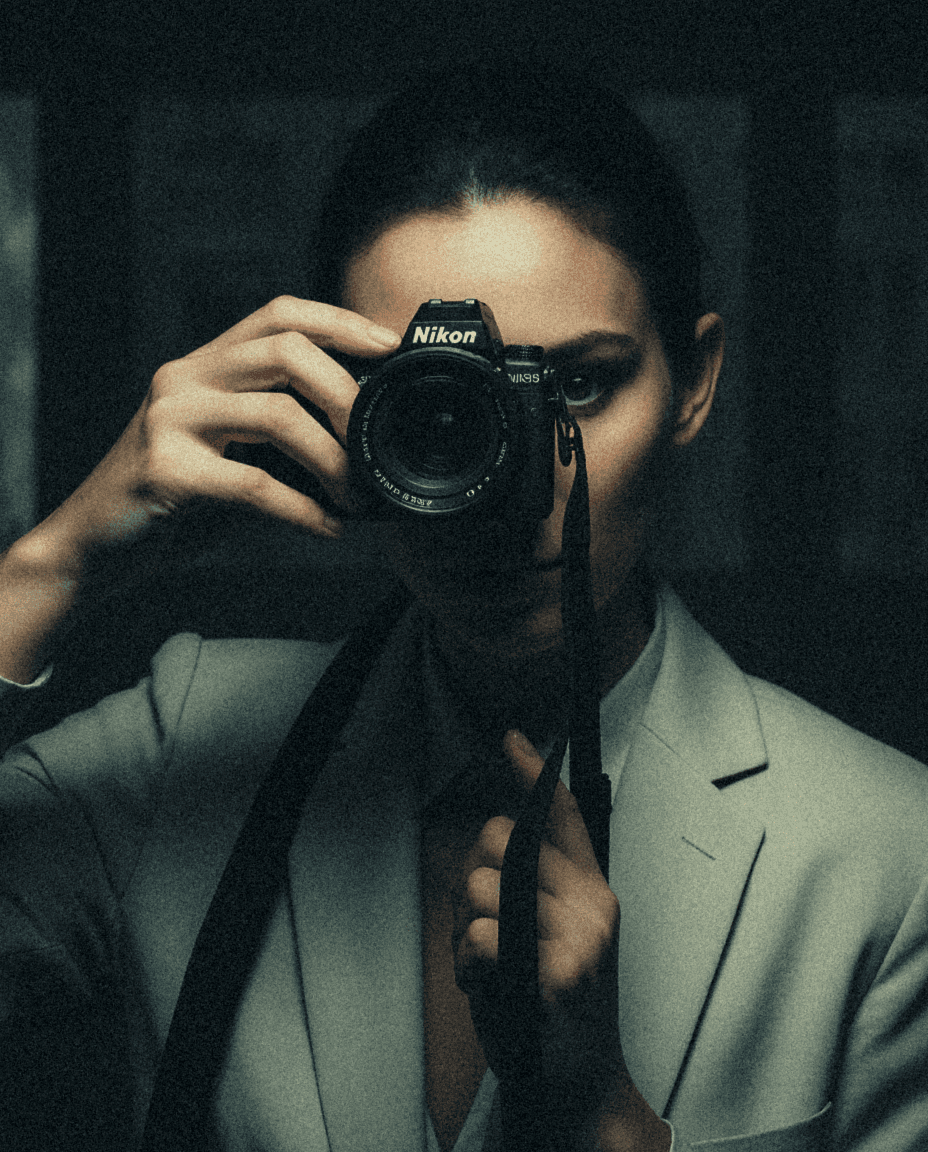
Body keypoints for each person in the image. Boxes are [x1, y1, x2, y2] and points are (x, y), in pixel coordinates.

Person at [2, 70, 927, 1152]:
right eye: (439, 406)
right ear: (336, 407)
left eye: (573, 388)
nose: (506, 483)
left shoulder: (888, 860)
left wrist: (605, 1127)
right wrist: (48, 566)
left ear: (693, 384)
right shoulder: (187, 750)